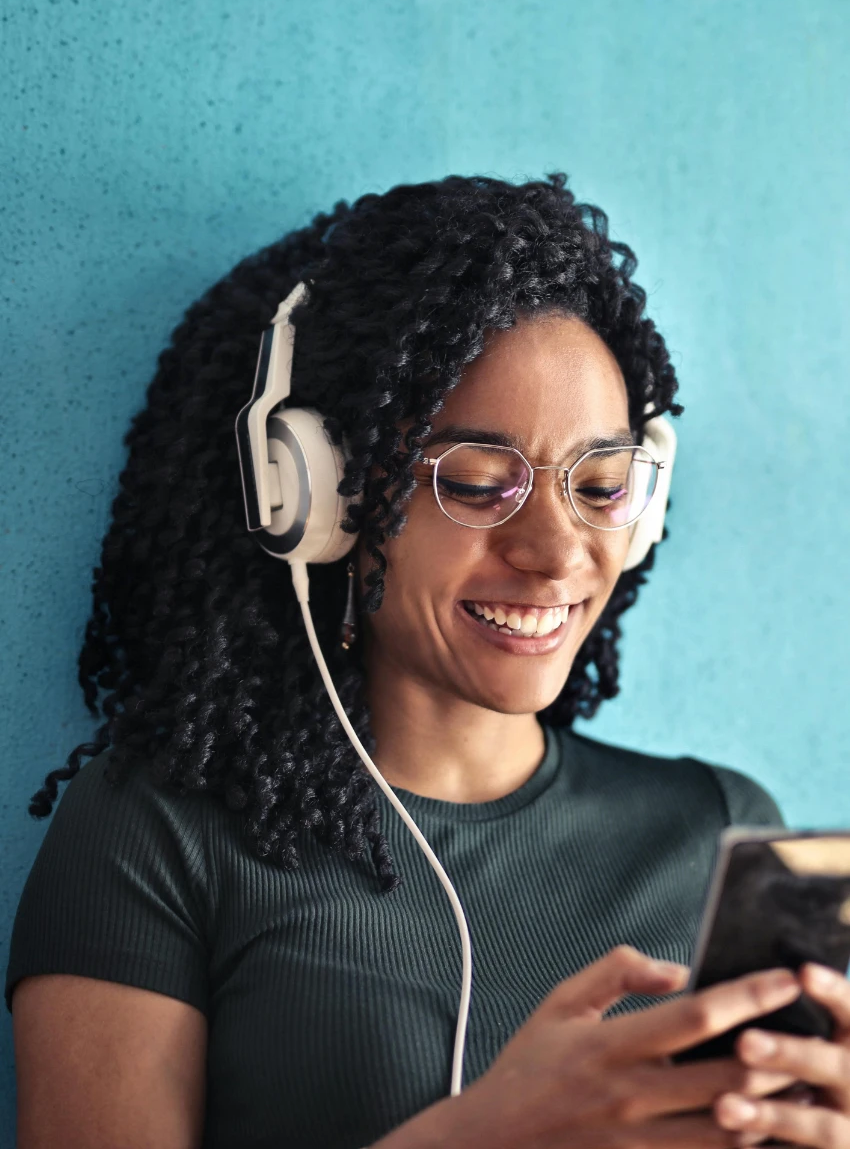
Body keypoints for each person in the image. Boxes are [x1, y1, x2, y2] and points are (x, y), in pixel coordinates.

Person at [6, 174, 850, 1149]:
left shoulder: (718, 832)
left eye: (604, 484)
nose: (556, 552)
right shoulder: (161, 833)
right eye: (478, 484)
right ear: (313, 496)